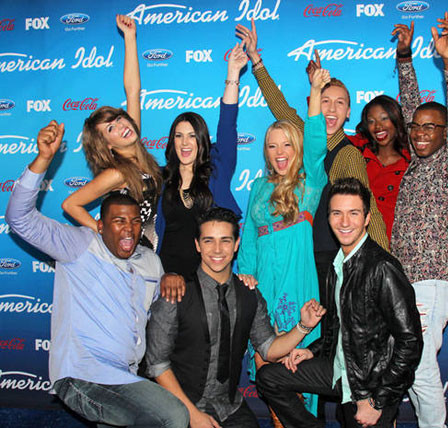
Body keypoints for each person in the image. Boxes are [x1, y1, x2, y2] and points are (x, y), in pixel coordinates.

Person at [5, 121, 188, 428]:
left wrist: (173, 277)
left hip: (126, 377)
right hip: (85, 376)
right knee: (173, 415)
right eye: (118, 221)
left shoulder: (150, 263)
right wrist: (43, 160)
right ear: (100, 225)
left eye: (134, 222)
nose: (128, 229)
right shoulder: (79, 245)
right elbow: (19, 218)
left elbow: (162, 315)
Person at [235, 20, 388, 302]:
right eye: (325, 101)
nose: (331, 109)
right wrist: (256, 61)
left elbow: (368, 208)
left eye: (339, 103)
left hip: (329, 257)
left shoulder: (348, 154)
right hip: (296, 255)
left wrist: (385, 261)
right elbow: (279, 106)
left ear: (348, 112)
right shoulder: (304, 137)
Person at [256, 177, 422, 428]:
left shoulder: (383, 268)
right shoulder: (337, 266)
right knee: (269, 377)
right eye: (337, 213)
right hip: (340, 371)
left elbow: (410, 343)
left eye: (353, 213)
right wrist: (312, 351)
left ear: (367, 218)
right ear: (328, 218)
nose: (344, 222)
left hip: (371, 386)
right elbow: (340, 329)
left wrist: (378, 401)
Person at [145, 207, 326, 428]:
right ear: (197, 245)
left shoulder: (249, 294)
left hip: (229, 406)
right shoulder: (176, 294)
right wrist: (192, 414)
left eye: (225, 241)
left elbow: (269, 349)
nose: (217, 249)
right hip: (178, 406)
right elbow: (157, 364)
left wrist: (303, 326)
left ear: (236, 244)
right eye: (209, 241)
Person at [389, 15, 448, 428]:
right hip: (405, 279)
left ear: (447, 133)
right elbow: (412, 107)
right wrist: (405, 57)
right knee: (411, 363)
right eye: (415, 128)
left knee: (420, 364)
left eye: (430, 127)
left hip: (432, 280)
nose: (420, 133)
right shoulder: (415, 162)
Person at [237, 67, 330, 414]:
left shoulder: (310, 183)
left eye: (287, 144)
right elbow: (249, 237)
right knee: (266, 367)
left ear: (297, 148)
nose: (279, 152)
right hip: (263, 283)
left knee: (295, 369)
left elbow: (317, 144)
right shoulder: (258, 187)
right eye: (272, 145)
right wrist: (246, 277)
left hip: (296, 281)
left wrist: (315, 92)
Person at [62, 14, 162, 249]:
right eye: (111, 128)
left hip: (149, 251)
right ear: (106, 144)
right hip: (127, 256)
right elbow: (70, 204)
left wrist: (130, 37)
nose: (121, 126)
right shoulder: (116, 173)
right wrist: (102, 230)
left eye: (119, 119)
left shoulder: (136, 148)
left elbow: (133, 90)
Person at [155, 42, 245, 282]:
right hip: (167, 279)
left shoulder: (217, 170)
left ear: (202, 140)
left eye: (192, 136)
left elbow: (227, 123)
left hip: (208, 280)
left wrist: (233, 74)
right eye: (179, 136)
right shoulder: (162, 178)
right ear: (172, 141)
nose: (185, 143)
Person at [349, 95, 411, 240]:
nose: (378, 126)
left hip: (399, 242)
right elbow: (327, 136)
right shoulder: (358, 150)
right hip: (362, 240)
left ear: (396, 119)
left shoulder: (411, 160)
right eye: (371, 121)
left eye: (384, 118)